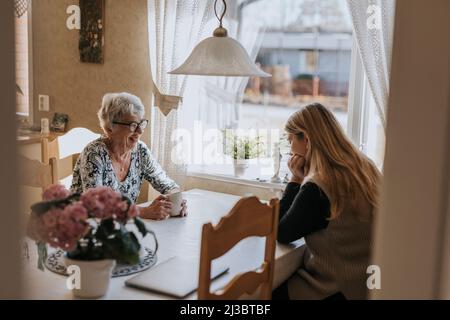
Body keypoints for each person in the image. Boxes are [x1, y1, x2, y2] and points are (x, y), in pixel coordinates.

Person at [273, 103, 381, 300]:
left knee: (259, 294)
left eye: (291, 141)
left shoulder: (319, 187)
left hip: (334, 289)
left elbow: (280, 232)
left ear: (306, 138)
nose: (290, 150)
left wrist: (295, 180)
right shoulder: (365, 168)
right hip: (368, 284)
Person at [71, 92, 187, 220]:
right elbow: (95, 207)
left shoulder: (140, 151)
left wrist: (177, 202)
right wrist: (142, 212)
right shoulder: (94, 154)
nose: (140, 131)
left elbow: (168, 186)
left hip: (121, 228)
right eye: (132, 125)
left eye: (141, 124)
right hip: (83, 228)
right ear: (110, 128)